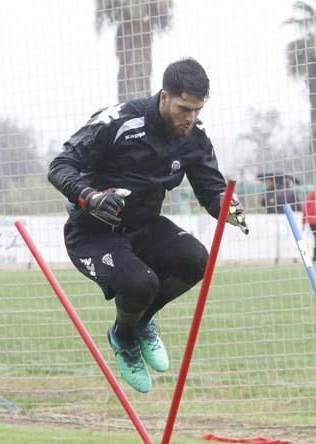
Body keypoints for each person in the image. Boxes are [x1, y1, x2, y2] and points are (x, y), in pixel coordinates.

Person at [48, 58, 247, 393]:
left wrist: (227, 209)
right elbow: (60, 165)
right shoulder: (118, 121)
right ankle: (123, 337)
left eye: (197, 110)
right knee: (141, 283)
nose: (191, 118)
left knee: (198, 259)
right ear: (164, 97)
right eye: (185, 108)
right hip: (93, 232)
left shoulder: (194, 136)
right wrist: (90, 196)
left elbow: (211, 189)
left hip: (144, 226)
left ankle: (140, 324)